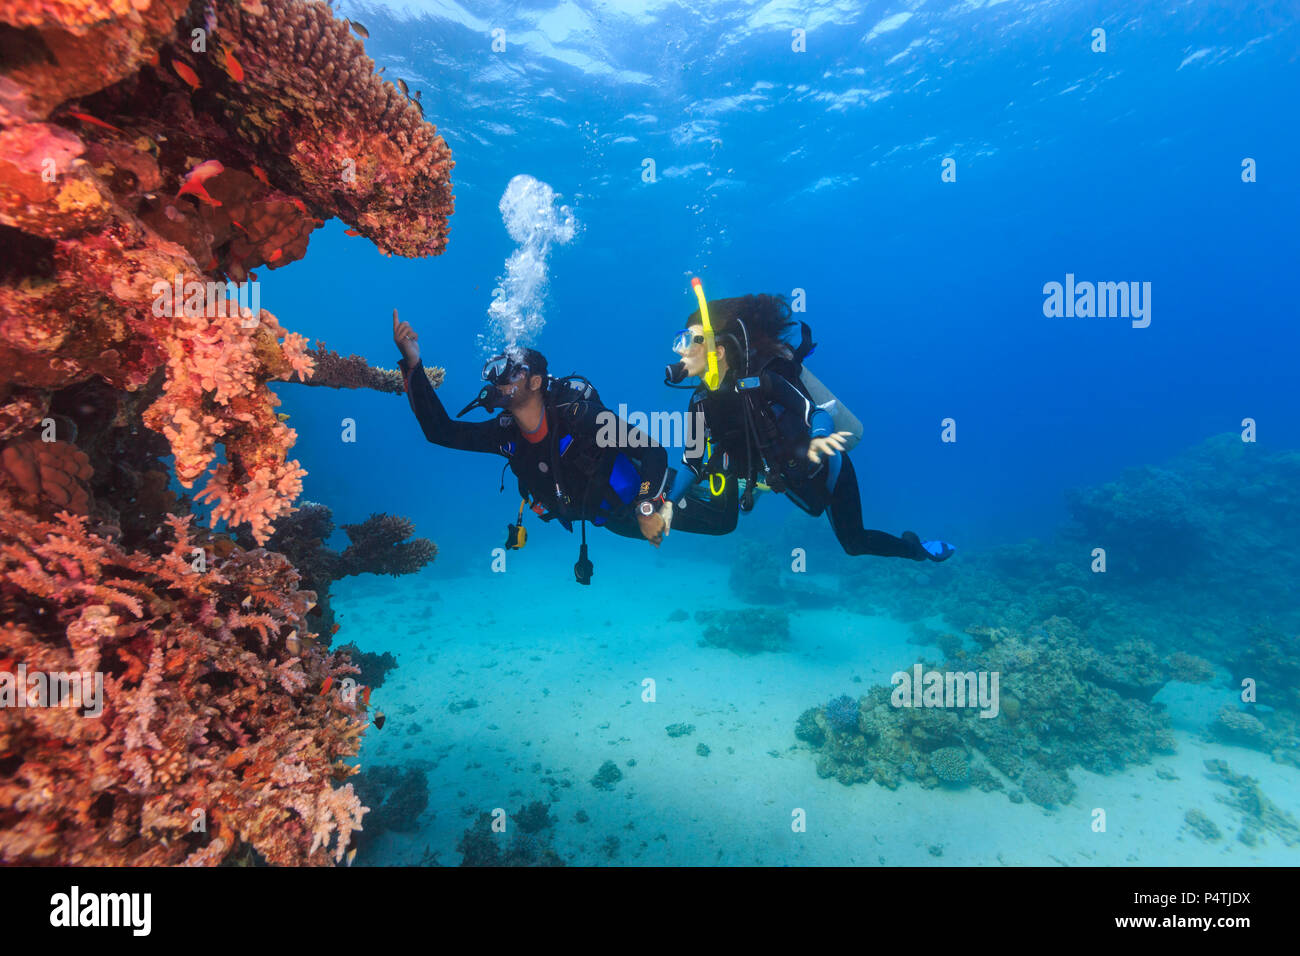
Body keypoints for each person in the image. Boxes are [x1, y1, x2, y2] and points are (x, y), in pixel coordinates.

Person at [392, 310, 729, 584]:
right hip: (609, 519)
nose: (498, 382)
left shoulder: (581, 417)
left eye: (510, 374)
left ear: (536, 382)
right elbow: (440, 431)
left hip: (649, 491)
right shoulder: (505, 435)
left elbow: (653, 451)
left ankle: (733, 450)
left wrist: (646, 507)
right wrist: (413, 365)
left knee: (725, 520)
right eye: (496, 375)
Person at [661, 288, 955, 562]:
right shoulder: (699, 402)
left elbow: (817, 414)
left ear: (719, 350)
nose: (679, 350)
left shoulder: (763, 381)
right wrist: (670, 503)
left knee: (854, 544)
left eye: (687, 340)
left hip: (829, 469)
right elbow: (691, 463)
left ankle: (917, 550)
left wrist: (819, 438)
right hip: (784, 475)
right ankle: (758, 483)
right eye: (679, 341)